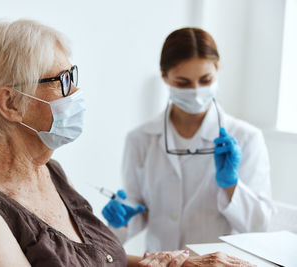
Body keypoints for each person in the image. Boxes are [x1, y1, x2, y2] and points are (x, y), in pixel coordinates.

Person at [0, 20, 255, 267]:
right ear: (10, 103)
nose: (76, 93)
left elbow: (94, 259)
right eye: (62, 81)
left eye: (73, 76)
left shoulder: (47, 170)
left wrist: (176, 264)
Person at [102, 27, 274, 252]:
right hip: (160, 261)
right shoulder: (140, 139)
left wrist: (232, 186)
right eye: (183, 83)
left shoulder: (247, 138)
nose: (196, 91)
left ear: (217, 70)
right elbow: (137, 210)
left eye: (205, 80)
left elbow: (260, 227)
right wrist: (121, 220)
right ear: (164, 76)